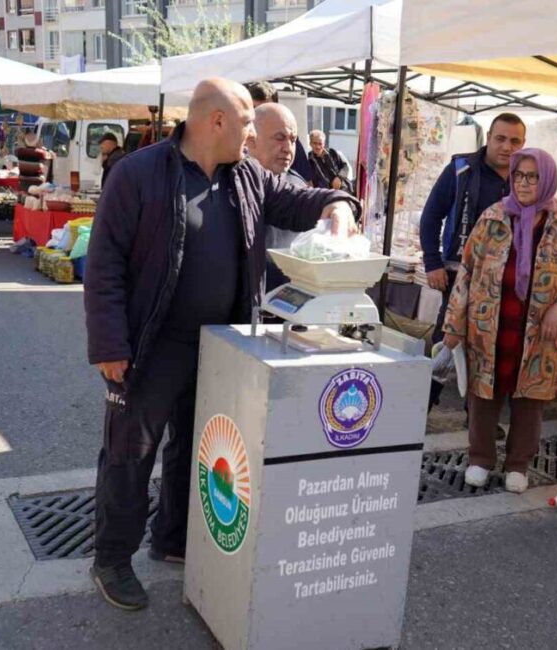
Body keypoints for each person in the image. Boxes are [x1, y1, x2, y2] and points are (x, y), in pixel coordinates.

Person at [84, 77, 360, 612]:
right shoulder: (138, 174)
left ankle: (173, 540)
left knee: (198, 447)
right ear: (216, 122)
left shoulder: (247, 175)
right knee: (129, 454)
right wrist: (109, 345)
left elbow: (300, 200)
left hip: (222, 343)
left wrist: (338, 204)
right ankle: (112, 559)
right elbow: (104, 265)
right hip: (150, 344)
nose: (255, 133)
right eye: (249, 122)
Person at [442, 148, 557, 494]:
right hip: (488, 324)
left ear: (547, 180)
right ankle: (480, 458)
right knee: (483, 395)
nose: (523, 183)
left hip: (538, 330)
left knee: (529, 401)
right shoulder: (492, 218)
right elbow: (466, 273)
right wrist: (453, 324)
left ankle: (518, 463)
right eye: (519, 175)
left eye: (532, 176)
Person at [421, 113, 526, 408]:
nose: (507, 147)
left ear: (523, 144)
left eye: (514, 141)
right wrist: (433, 262)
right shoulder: (460, 169)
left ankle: (477, 418)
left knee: (488, 349)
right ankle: (424, 406)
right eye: (500, 138)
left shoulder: (525, 179)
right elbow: (431, 216)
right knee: (447, 338)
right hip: (458, 274)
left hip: (503, 281)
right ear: (489, 138)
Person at [247, 102, 311, 292]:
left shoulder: (298, 186)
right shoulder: (228, 185)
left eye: (292, 139)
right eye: (280, 138)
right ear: (251, 139)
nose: (288, 148)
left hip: (287, 300)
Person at [245, 80, 314, 183]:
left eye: (267, 109)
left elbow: (306, 183)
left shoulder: (289, 142)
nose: (287, 148)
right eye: (256, 109)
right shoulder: (235, 144)